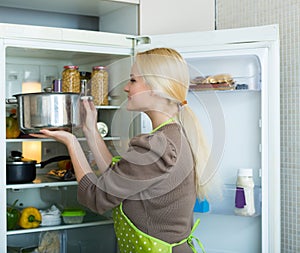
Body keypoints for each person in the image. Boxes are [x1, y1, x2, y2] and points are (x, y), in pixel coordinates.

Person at [33, 48, 219, 253]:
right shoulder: (172, 135)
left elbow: (96, 197)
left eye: (133, 80)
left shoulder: (157, 145)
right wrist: (90, 130)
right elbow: (115, 180)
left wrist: (71, 142)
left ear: (156, 88)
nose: (126, 88)